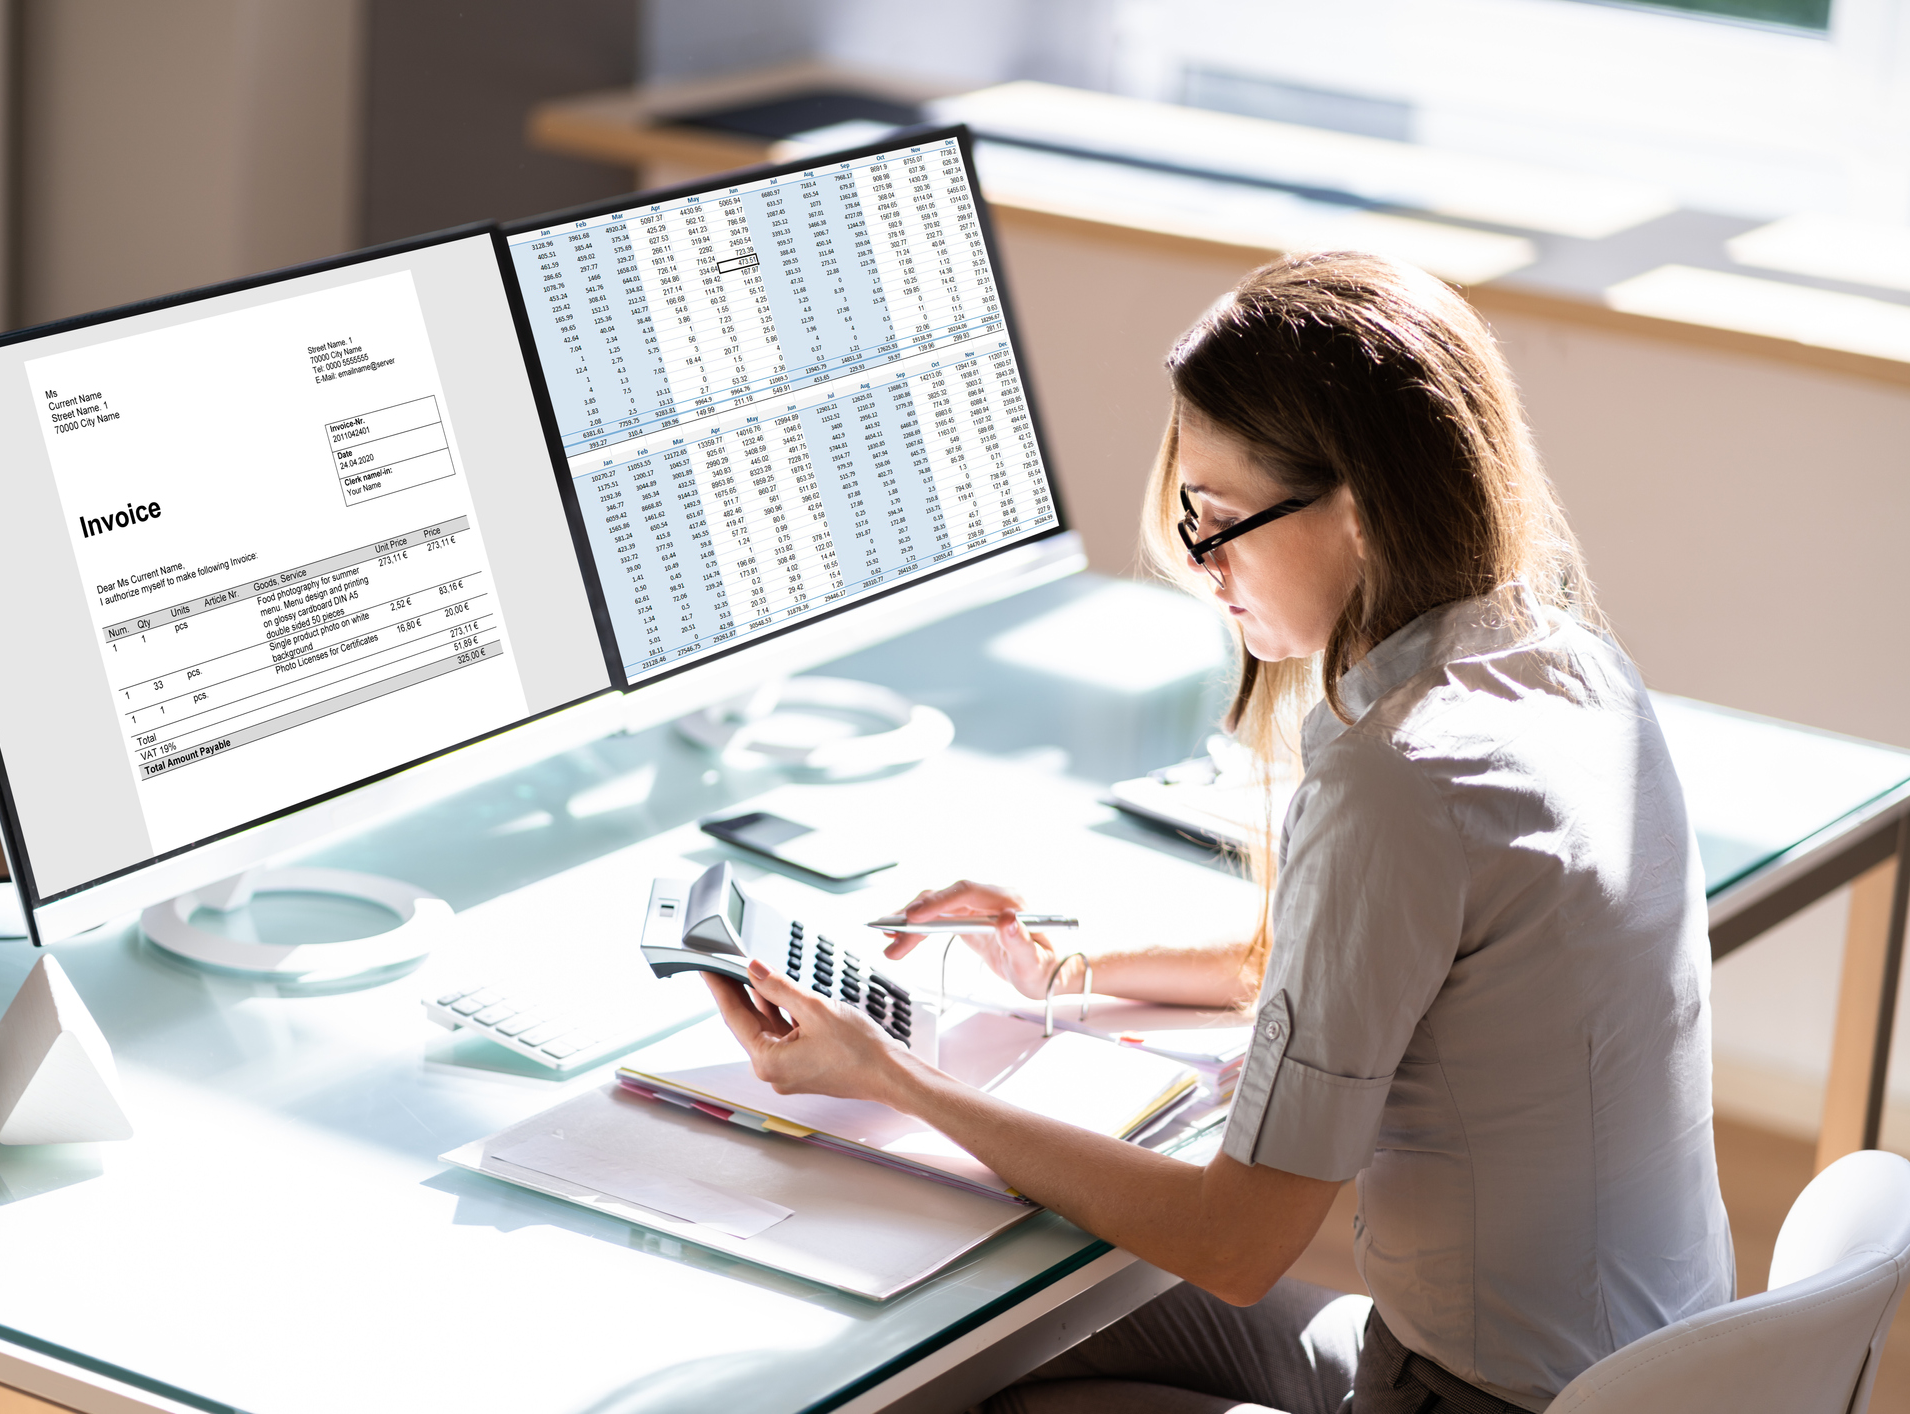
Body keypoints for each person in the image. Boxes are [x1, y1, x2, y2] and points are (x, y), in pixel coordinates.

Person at [702, 252, 1734, 1414]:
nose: (1206, 569)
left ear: (1361, 508)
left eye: (1219, 523)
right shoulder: (1570, 665)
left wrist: (890, 1075)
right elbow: (1341, 969)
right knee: (1034, 1337)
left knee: (956, 1386)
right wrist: (1066, 971)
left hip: (1465, 1397)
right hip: (1647, 1374)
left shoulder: (1401, 779)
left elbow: (1238, 1243)